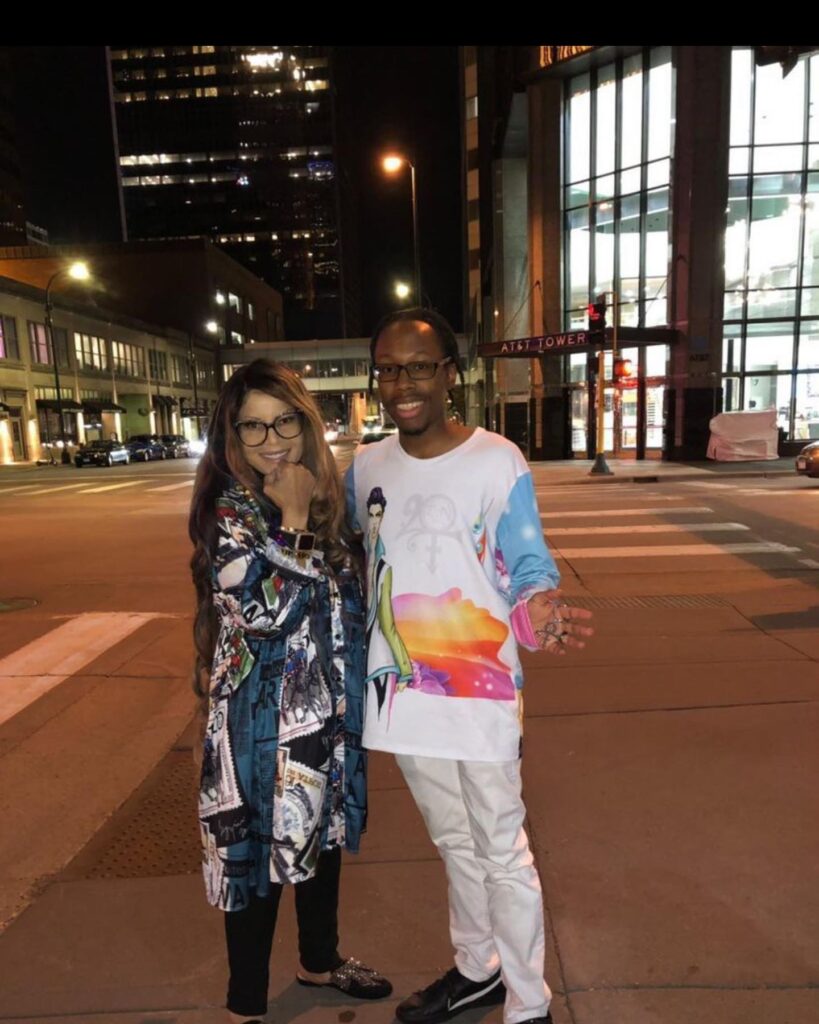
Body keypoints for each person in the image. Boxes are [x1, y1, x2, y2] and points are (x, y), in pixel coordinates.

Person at [346, 309, 594, 1024]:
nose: (402, 384)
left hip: (479, 689)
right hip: (403, 692)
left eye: (418, 367)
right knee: (451, 838)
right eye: (388, 369)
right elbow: (358, 567)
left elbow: (525, 561)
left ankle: (527, 1003)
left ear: (449, 373)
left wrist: (538, 608)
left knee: (500, 845)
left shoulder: (495, 460)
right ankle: (476, 968)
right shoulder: (366, 468)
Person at [189, 358, 391, 1024]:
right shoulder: (231, 514)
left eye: (283, 422)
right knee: (256, 854)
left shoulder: (333, 504)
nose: (271, 441)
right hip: (255, 724)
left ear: (306, 424)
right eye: (252, 428)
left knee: (321, 836)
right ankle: (245, 1004)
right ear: (231, 438)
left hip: (324, 713)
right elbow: (266, 617)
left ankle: (320, 960)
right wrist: (295, 518)